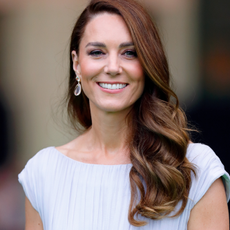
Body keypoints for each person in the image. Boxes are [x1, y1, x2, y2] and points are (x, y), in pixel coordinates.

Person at [18, 0, 230, 229]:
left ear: (148, 63)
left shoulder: (197, 169)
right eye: (97, 52)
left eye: (129, 53)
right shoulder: (43, 173)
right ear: (77, 64)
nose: (112, 67)